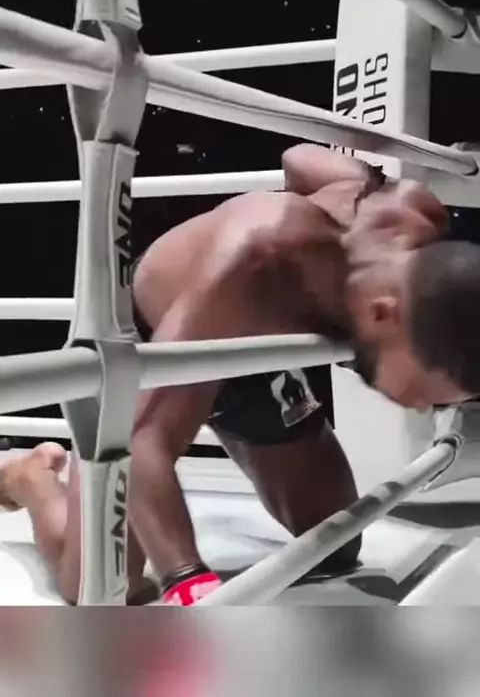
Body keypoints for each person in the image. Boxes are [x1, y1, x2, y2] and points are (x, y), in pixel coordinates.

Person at [1, 143, 479, 606]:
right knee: (104, 580)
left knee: (333, 543)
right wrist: (187, 579)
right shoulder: (261, 253)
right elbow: (141, 437)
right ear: (382, 313)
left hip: (253, 355)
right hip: (150, 344)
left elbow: (298, 157)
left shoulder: (412, 215)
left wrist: (358, 184)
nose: (419, 405)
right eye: (419, 389)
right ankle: (32, 478)